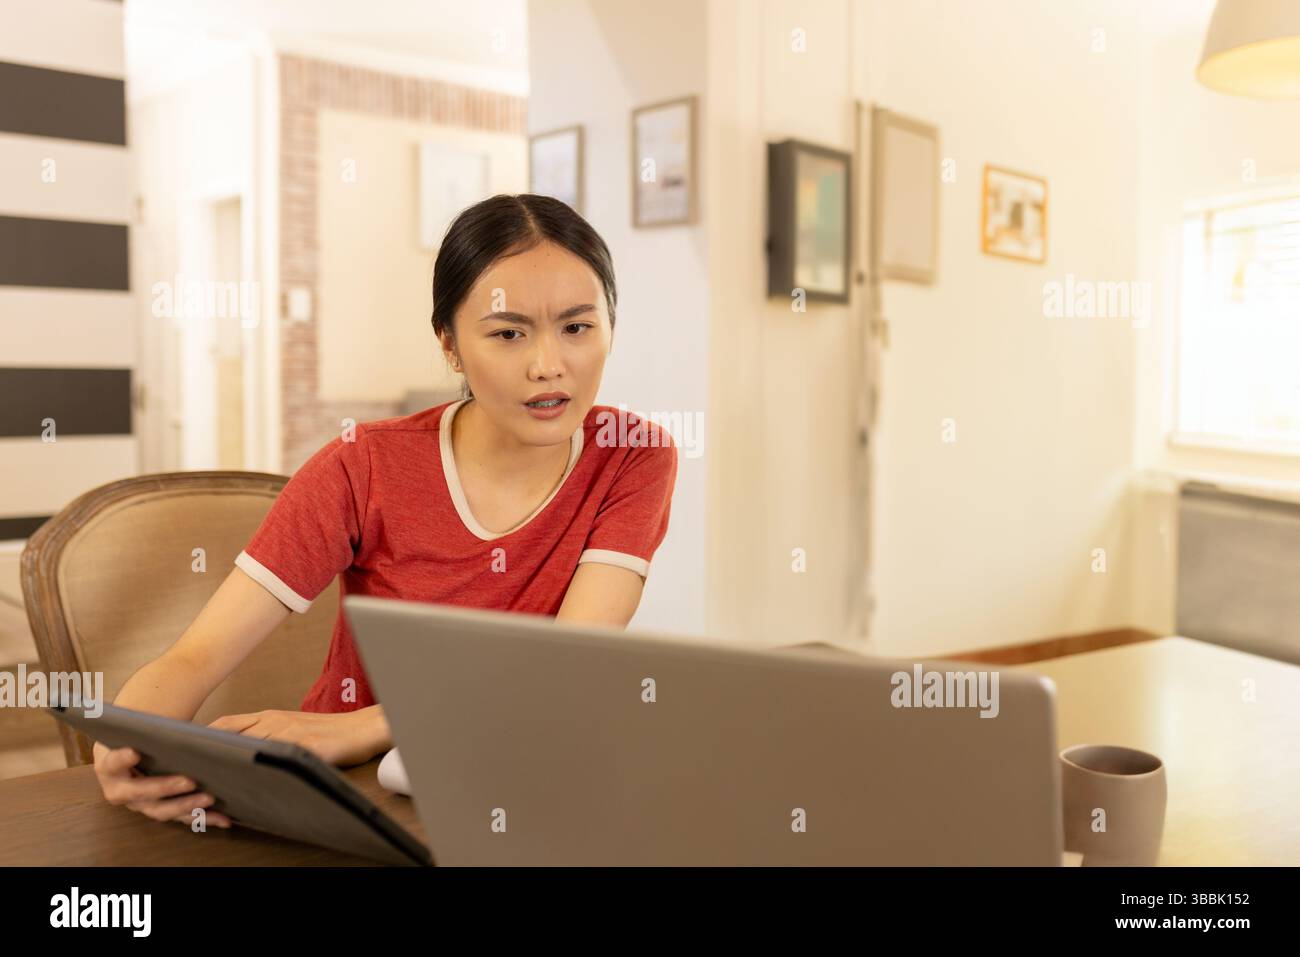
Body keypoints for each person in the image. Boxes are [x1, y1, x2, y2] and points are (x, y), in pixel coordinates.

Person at [93, 194, 678, 828]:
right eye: (508, 333)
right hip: (346, 794)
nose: (549, 365)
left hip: (509, 779)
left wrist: (366, 725)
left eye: (577, 327)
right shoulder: (362, 466)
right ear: (450, 346)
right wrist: (122, 750)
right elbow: (195, 658)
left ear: (610, 328)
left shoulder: (633, 456)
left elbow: (562, 668)